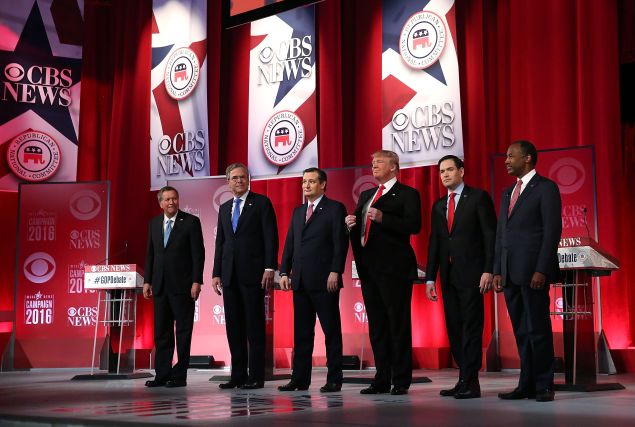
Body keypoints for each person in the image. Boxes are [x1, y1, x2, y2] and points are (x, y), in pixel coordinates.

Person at [345, 150, 421, 395]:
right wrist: (351, 225)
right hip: (369, 269)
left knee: (397, 324)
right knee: (377, 326)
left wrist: (384, 218)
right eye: (372, 161)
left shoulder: (408, 194)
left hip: (394, 269)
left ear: (394, 166)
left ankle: (400, 379)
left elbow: (414, 225)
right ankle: (381, 377)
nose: (374, 165)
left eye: (379, 161)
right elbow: (361, 230)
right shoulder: (367, 195)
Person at [493, 140, 562, 402]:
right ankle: (526, 384)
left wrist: (541, 269)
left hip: (533, 273)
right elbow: (502, 234)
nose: (507, 160)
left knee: (538, 330)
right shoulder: (507, 193)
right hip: (510, 273)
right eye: (506, 156)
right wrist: (498, 269)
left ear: (529, 158)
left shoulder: (545, 188)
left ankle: (544, 385)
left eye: (512, 156)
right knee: (521, 331)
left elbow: (551, 231)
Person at [425, 155, 497, 399]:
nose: (445, 175)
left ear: (462, 171)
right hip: (448, 276)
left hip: (473, 274)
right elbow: (435, 242)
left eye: (449, 170)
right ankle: (462, 378)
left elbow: (490, 236)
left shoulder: (478, 198)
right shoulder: (438, 206)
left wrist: (489, 269)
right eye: (441, 171)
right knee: (454, 327)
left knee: (471, 327)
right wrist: (429, 278)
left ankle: (472, 382)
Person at [278, 168, 348, 393]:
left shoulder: (335, 209)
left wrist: (335, 271)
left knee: (331, 332)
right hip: (299, 281)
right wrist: (283, 272)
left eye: (311, 182)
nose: (306, 185)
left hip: (325, 280)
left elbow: (340, 243)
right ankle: (299, 379)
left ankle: (334, 379)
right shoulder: (298, 212)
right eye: (304, 182)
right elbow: (290, 243)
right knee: (302, 334)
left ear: (323, 184)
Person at [212, 163, 279, 390]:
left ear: (248, 179)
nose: (239, 181)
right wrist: (216, 273)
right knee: (234, 328)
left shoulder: (261, 203)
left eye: (242, 177)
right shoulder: (224, 208)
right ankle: (237, 375)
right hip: (229, 276)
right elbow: (220, 242)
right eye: (234, 178)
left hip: (253, 275)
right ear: (228, 182)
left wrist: (270, 267)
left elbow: (270, 237)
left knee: (254, 327)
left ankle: (256, 376)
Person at [143, 186, 205, 388]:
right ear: (160, 203)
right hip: (160, 286)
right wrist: (147, 281)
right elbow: (150, 254)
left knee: (183, 333)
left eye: (174, 199)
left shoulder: (190, 222)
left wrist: (197, 281)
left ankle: (179, 376)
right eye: (167, 199)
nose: (171, 202)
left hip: (184, 287)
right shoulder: (153, 223)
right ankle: (162, 374)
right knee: (162, 333)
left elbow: (198, 254)